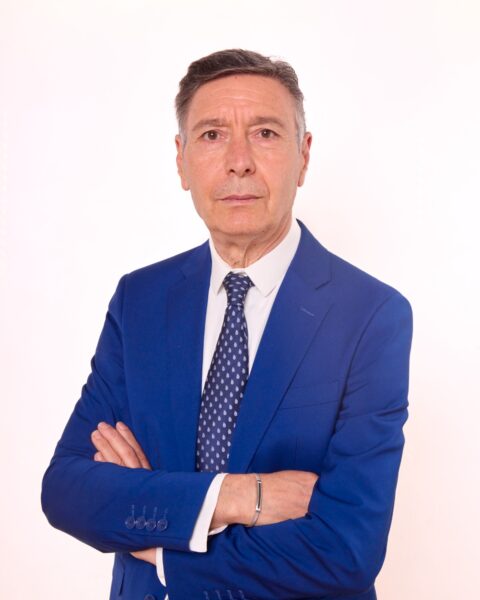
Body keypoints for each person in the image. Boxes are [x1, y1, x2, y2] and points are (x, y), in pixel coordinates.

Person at [41, 49, 413, 600]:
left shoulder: (371, 315)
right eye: (212, 135)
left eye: (265, 133)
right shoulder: (139, 300)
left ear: (303, 156)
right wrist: (239, 496)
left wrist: (161, 543)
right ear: (182, 160)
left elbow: (346, 550)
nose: (239, 161)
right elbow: (68, 490)